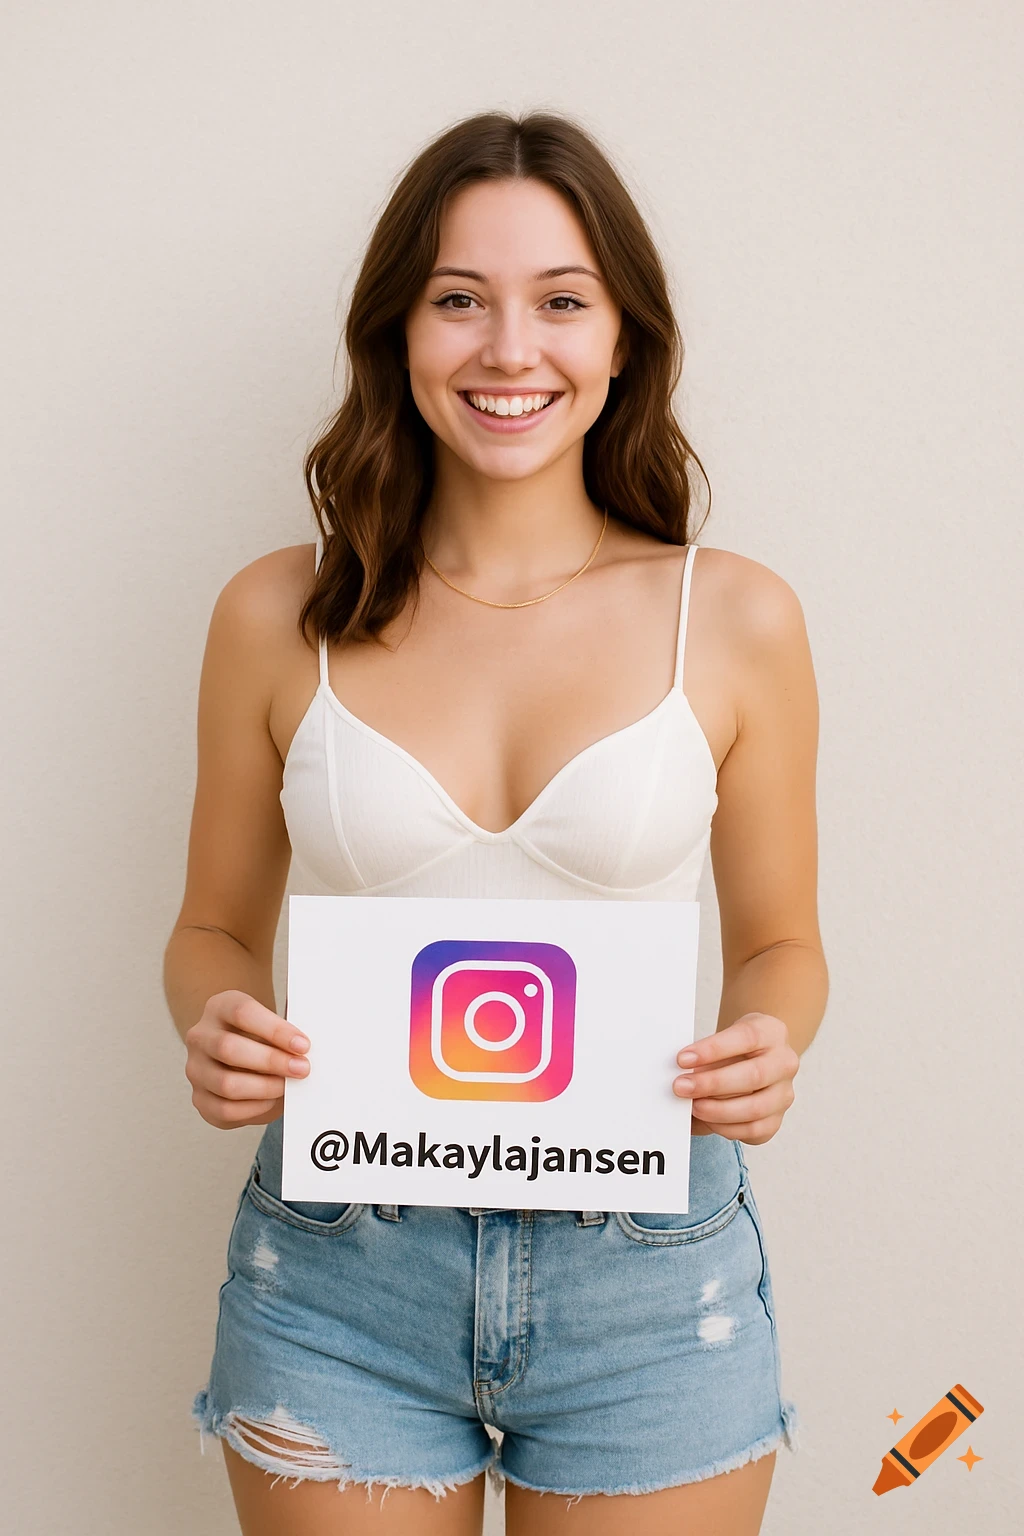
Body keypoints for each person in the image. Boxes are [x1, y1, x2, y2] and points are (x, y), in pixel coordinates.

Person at [165, 109, 828, 1536]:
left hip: (647, 1276)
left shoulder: (737, 618)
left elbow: (783, 945)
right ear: (398, 334)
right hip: (341, 1272)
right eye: (460, 299)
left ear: (622, 341)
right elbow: (212, 926)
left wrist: (774, 1040)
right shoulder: (278, 615)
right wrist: (218, 1017)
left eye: (562, 303)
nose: (510, 350)